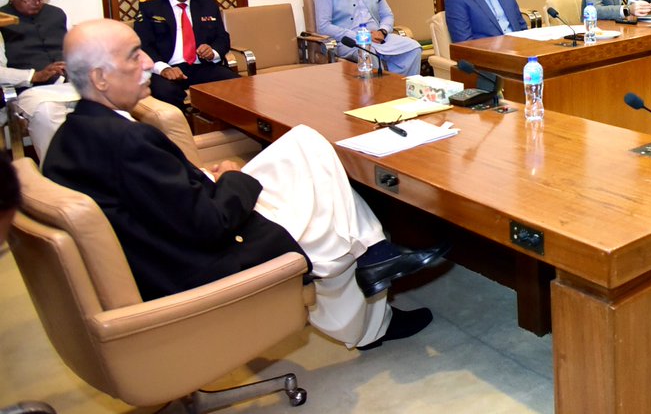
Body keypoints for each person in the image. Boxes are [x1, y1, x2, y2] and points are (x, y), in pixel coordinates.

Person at [41, 19, 450, 350]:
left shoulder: (71, 137)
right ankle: (375, 266)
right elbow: (211, 224)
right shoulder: (128, 141)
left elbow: (157, 202)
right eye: (134, 55)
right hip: (205, 262)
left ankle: (376, 260)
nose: (149, 62)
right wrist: (233, 176)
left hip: (176, 237)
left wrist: (209, 176)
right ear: (99, 77)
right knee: (332, 210)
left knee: (306, 144)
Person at [134, 0, 239, 111]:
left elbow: (222, 37)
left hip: (201, 66)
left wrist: (213, 52)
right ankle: (185, 131)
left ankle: (224, 128)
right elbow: (143, 44)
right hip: (167, 68)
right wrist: (163, 68)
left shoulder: (207, 5)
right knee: (166, 93)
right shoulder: (150, 7)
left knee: (236, 84)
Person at [2, 0, 80, 157]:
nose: (37, 2)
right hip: (32, 91)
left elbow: (76, 47)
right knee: (46, 113)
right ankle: (59, 174)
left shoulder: (57, 14)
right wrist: (34, 75)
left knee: (106, 107)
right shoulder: (3, 21)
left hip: (72, 84)